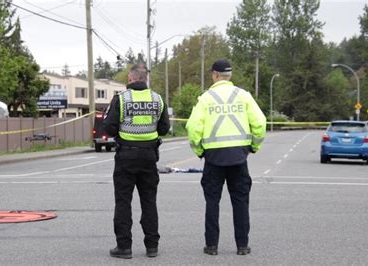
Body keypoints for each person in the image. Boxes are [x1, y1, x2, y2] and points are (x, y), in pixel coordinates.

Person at [185, 59, 266, 256]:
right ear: (230, 75)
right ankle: (242, 245)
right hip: (239, 156)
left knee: (212, 202)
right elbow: (260, 123)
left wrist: (199, 151)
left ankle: (212, 246)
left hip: (213, 158)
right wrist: (253, 146)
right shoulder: (244, 96)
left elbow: (193, 128)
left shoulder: (205, 98)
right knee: (240, 201)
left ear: (214, 75)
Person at [103, 64, 170, 259]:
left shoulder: (121, 99)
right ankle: (152, 247)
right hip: (149, 157)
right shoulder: (157, 99)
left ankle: (124, 247)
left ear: (131, 78)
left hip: (126, 157)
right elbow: (164, 128)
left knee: (123, 202)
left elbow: (109, 128)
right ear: (145, 79)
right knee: (149, 202)